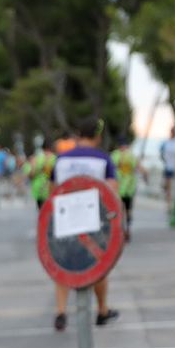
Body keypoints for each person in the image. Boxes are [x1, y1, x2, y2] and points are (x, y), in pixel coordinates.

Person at [51, 118, 119, 331]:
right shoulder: (103, 159)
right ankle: (102, 311)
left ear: (78, 134)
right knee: (98, 267)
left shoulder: (61, 159)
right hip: (93, 222)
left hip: (64, 220)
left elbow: (53, 191)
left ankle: (61, 311)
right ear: (97, 136)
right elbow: (112, 193)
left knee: (63, 264)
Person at [111, 135, 138, 240]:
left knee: (118, 209)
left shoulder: (114, 155)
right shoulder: (131, 155)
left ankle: (119, 230)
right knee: (128, 210)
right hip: (129, 188)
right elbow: (138, 167)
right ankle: (128, 229)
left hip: (117, 188)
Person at [159, 125, 175, 212]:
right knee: (167, 186)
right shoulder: (166, 143)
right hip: (168, 167)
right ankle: (168, 204)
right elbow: (161, 154)